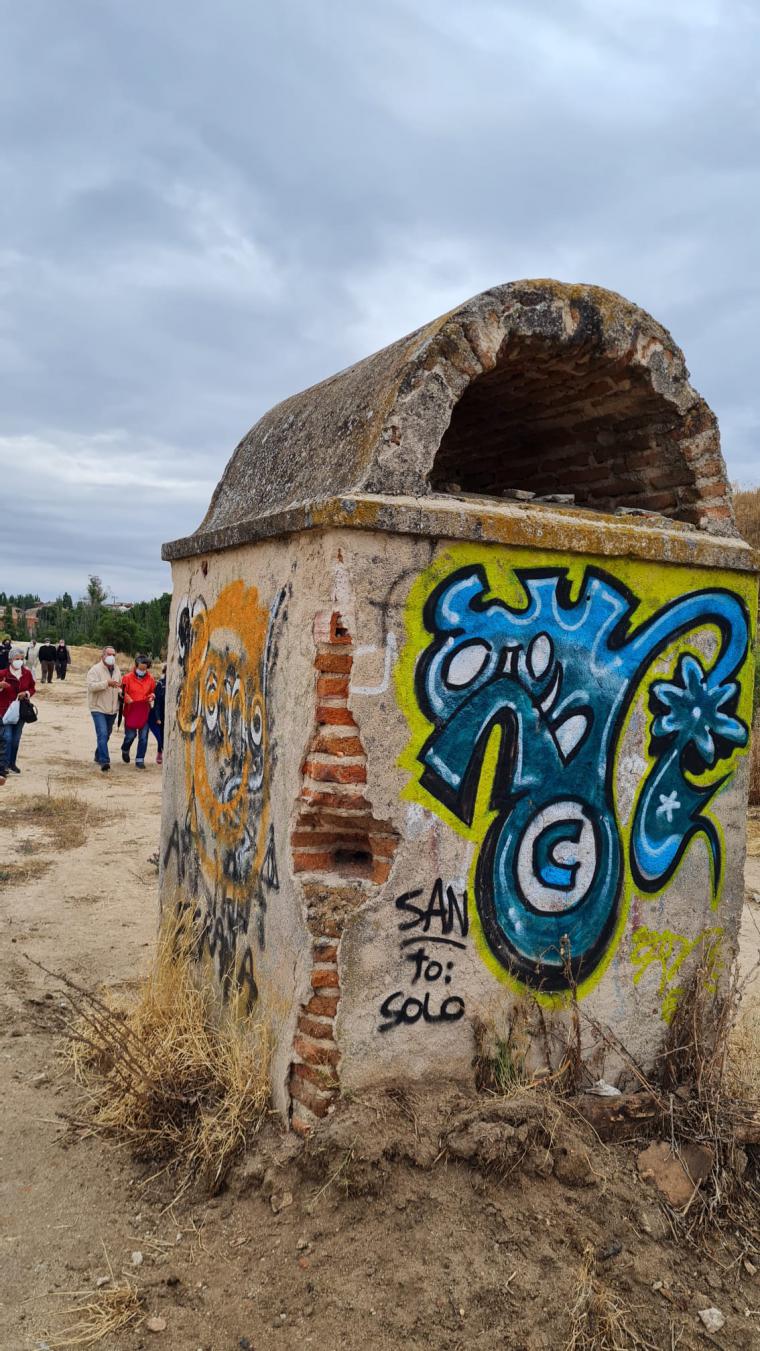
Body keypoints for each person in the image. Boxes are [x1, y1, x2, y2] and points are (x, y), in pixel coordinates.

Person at [0, 648, 36, 774]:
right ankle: (3, 766)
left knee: (15, 740)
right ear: (10, 660)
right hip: (5, 711)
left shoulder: (27, 673)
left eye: (21, 659)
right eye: (17, 659)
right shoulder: (3, 673)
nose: (20, 661)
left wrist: (26, 693)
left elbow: (32, 688)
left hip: (21, 711)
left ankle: (12, 763)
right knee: (7, 738)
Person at [86, 646, 122, 772]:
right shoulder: (95, 670)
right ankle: (104, 761)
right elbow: (91, 687)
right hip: (98, 708)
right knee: (102, 733)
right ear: (103, 655)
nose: (111, 656)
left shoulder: (117, 669)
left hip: (112, 709)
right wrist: (106, 683)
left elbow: (119, 685)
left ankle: (98, 754)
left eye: (114, 654)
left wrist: (121, 692)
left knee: (106, 735)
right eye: (109, 654)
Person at [121, 655, 156, 768]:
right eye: (140, 668)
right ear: (135, 666)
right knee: (130, 735)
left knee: (144, 737)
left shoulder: (150, 679)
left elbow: (152, 692)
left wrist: (151, 696)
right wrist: (127, 698)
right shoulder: (127, 677)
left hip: (144, 710)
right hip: (131, 710)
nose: (142, 671)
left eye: (144, 669)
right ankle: (125, 749)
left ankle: (140, 759)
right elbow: (122, 692)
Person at [148, 665, 166, 765]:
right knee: (161, 735)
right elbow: (157, 702)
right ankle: (160, 752)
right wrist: (158, 717)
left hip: (172, 715)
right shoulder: (160, 684)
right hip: (161, 714)